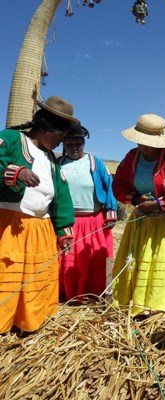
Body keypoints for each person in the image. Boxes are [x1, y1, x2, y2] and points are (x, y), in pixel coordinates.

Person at [0, 96, 77, 334]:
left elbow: (61, 195)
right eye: (59, 137)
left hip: (40, 228)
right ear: (44, 127)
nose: (60, 143)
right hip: (10, 224)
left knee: (35, 277)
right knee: (7, 273)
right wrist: (16, 172)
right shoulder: (12, 139)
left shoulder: (50, 159)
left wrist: (64, 230)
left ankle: (28, 322)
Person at [111, 113, 165, 317]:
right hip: (141, 220)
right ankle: (137, 300)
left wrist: (158, 203)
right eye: (140, 141)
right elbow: (119, 185)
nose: (143, 145)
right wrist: (136, 200)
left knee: (160, 260)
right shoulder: (132, 157)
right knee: (138, 259)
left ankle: (162, 303)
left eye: (148, 142)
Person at [58, 122, 118, 301]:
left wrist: (111, 212)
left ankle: (98, 293)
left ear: (84, 144)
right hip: (70, 222)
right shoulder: (58, 164)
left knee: (97, 258)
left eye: (78, 144)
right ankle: (69, 293)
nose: (74, 148)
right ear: (64, 145)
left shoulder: (94, 163)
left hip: (94, 220)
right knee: (70, 260)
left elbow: (110, 187)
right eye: (69, 144)